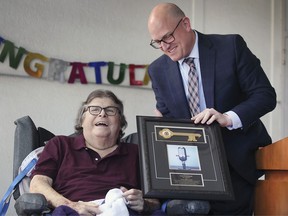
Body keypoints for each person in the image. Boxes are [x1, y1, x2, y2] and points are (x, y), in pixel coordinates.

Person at [147, 3, 277, 215]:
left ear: (186, 24)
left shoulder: (231, 46)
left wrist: (228, 118)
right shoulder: (158, 70)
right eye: (157, 42)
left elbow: (265, 95)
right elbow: (169, 117)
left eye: (167, 37)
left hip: (236, 167)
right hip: (190, 174)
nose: (164, 46)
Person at [30, 89, 164, 216]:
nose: (102, 114)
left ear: (120, 122)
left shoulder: (138, 152)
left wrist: (144, 203)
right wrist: (71, 205)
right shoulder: (60, 145)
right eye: (94, 109)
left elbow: (155, 202)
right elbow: (38, 184)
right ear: (82, 120)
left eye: (110, 110)